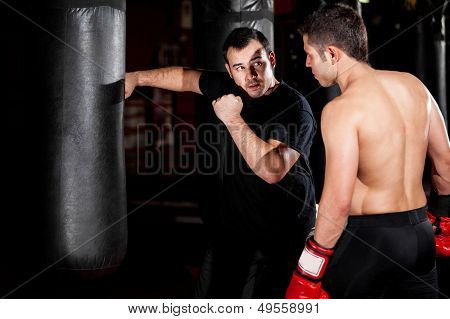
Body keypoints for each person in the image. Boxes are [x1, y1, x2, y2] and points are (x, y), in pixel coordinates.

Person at [125, 27, 317, 298]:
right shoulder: (229, 87)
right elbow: (185, 77)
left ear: (271, 60)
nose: (250, 75)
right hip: (235, 230)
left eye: (257, 63)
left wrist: (232, 118)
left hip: (282, 236)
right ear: (229, 71)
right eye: (239, 67)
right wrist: (134, 78)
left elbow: (272, 170)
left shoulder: (295, 108)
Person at [286, 3, 450, 299]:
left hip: (370, 243)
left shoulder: (341, 110)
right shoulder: (415, 87)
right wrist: (445, 220)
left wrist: (307, 272)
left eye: (310, 54)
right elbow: (446, 165)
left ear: (332, 54)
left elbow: (336, 202)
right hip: (420, 236)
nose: (307, 63)